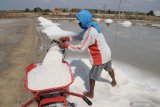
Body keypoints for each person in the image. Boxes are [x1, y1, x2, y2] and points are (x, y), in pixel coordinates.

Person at [58, 10, 117, 98]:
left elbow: (81, 48)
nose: (78, 24)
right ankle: (114, 81)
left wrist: (66, 46)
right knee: (109, 68)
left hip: (100, 57)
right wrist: (67, 38)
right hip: (107, 53)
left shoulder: (90, 32)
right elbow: (79, 36)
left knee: (91, 76)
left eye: (80, 22)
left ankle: (91, 94)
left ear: (84, 21)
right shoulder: (92, 27)